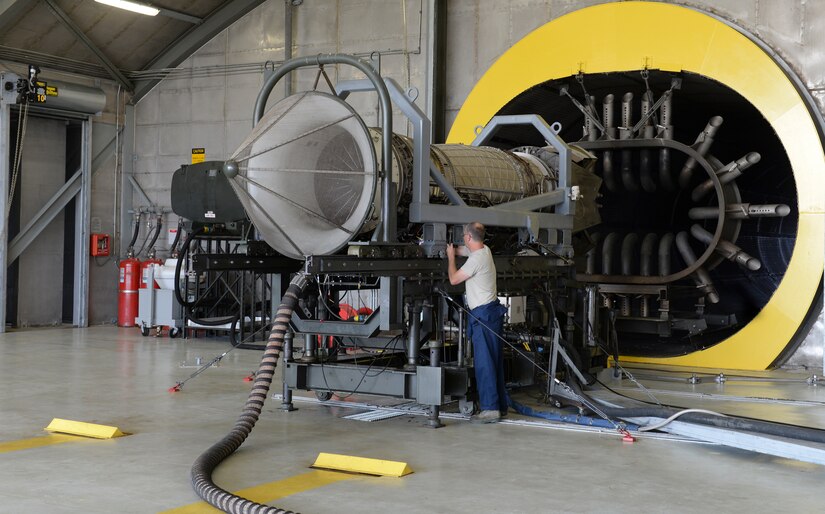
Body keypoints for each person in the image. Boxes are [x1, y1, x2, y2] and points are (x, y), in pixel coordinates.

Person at [446, 222, 508, 423]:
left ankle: (490, 409)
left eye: (464, 235)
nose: (463, 238)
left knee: (485, 364)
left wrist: (450, 258)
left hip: (483, 317)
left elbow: (454, 279)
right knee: (494, 361)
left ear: (469, 237)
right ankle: (500, 406)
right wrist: (454, 249)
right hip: (490, 314)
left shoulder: (476, 260)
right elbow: (468, 250)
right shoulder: (484, 251)